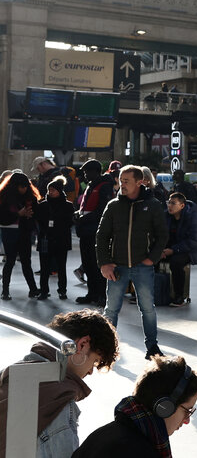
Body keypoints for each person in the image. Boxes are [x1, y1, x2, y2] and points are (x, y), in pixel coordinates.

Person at [0, 309, 119, 458]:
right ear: (82, 345)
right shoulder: (58, 404)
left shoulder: (13, 372)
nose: (90, 372)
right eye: (94, 362)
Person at [97, 165, 169, 359]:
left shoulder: (152, 205)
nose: (122, 185)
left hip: (142, 266)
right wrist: (104, 263)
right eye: (120, 181)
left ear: (140, 182)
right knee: (111, 309)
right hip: (116, 266)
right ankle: (106, 348)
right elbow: (102, 236)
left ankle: (152, 347)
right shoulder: (113, 205)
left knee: (147, 308)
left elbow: (162, 235)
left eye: (126, 181)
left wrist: (151, 259)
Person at [72, 355, 197, 458]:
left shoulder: (104, 434)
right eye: (187, 411)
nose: (187, 420)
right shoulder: (141, 452)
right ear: (165, 406)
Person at [75, 160, 116, 306]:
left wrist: (83, 218)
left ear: (95, 172)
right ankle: (92, 293)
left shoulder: (104, 186)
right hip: (86, 231)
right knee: (88, 264)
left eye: (87, 172)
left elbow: (102, 210)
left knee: (97, 264)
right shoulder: (91, 186)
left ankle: (102, 295)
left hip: (95, 231)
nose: (85, 175)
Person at [0, 172, 42, 300]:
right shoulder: (4, 198)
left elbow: (36, 213)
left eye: (25, 186)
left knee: (26, 261)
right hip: (9, 231)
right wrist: (19, 214)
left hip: (24, 232)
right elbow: (2, 218)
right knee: (10, 261)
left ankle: (33, 289)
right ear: (14, 186)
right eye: (21, 186)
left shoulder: (30, 198)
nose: (24, 189)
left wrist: (30, 216)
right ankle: (5, 291)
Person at [160, 192, 197, 307]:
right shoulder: (166, 216)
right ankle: (155, 293)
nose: (170, 206)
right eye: (169, 203)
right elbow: (160, 235)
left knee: (176, 262)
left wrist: (173, 250)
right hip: (170, 248)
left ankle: (179, 296)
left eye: (173, 203)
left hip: (190, 250)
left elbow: (195, 240)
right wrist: (160, 249)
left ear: (182, 205)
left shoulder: (192, 217)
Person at [35, 176, 76, 300]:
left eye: (53, 190)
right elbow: (39, 220)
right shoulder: (43, 205)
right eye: (49, 190)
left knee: (61, 267)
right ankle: (43, 291)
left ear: (59, 191)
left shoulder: (68, 205)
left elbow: (70, 221)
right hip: (46, 238)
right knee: (44, 267)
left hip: (61, 239)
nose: (50, 192)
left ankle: (62, 290)